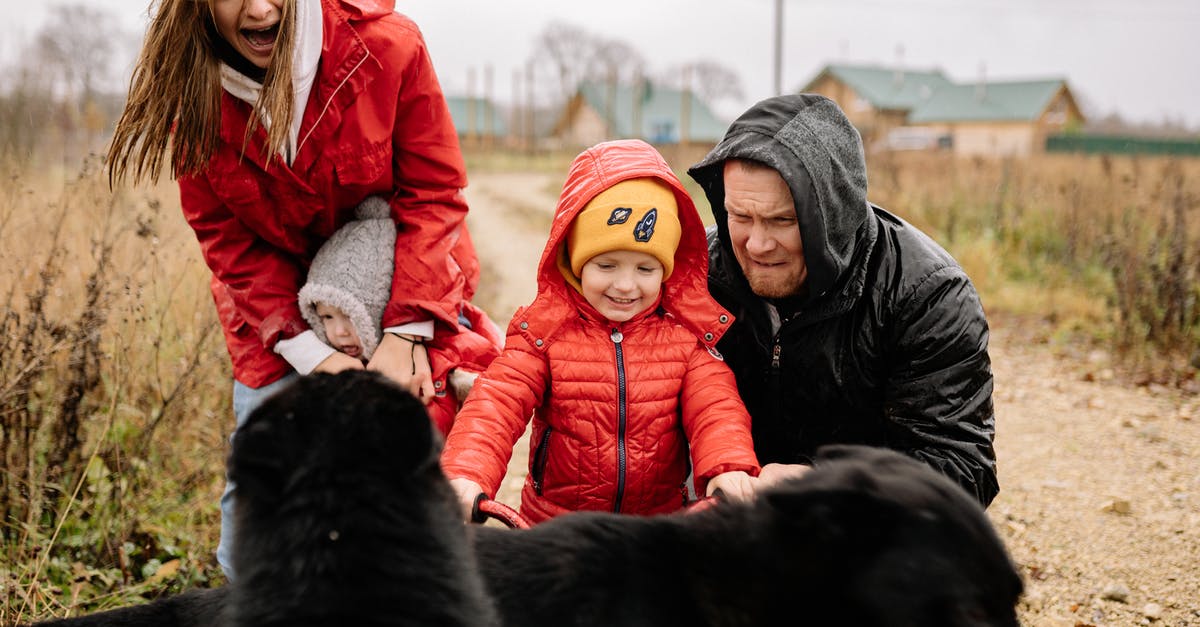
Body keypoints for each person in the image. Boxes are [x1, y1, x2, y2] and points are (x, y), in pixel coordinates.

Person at [105, 0, 501, 577]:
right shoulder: (188, 90)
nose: (262, 8)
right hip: (277, 326)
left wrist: (404, 333)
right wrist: (313, 354)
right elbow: (227, 239)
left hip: (404, 295)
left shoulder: (388, 48)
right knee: (252, 537)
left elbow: (434, 193)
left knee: (410, 507)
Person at [687, 94, 998, 507]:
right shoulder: (695, 272)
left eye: (783, 220)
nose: (757, 244)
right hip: (726, 519)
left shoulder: (927, 296)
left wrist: (831, 487)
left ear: (833, 214)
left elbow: (962, 466)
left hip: (860, 537)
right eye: (740, 217)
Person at [441, 139, 760, 524]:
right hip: (557, 526)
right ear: (574, 262)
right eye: (606, 266)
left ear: (667, 270)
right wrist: (466, 472)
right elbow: (496, 405)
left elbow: (716, 409)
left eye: (645, 269)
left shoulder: (685, 339)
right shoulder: (544, 334)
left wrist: (729, 467)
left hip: (654, 529)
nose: (626, 285)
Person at [297, 196, 490, 436]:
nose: (339, 331)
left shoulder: (430, 353)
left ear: (381, 309)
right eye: (326, 317)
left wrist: (464, 382)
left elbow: (477, 365)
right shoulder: (326, 369)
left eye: (349, 316)